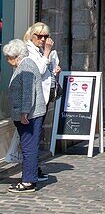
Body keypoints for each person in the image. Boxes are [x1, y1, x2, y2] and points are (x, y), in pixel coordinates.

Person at [3, 38, 45, 192]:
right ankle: (30, 177)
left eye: (9, 57)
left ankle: (28, 181)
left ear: (17, 56)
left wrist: (24, 113)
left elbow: (28, 92)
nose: (8, 60)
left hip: (30, 115)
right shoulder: (25, 64)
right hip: (29, 114)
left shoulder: (26, 65)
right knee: (28, 146)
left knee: (28, 147)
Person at [23, 22, 62, 182]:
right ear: (32, 36)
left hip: (42, 98)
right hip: (32, 100)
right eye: (40, 36)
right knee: (32, 137)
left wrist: (53, 70)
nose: (43, 39)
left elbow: (44, 72)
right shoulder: (28, 51)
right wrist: (46, 53)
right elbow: (36, 70)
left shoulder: (39, 51)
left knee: (36, 136)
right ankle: (30, 173)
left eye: (46, 36)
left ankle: (34, 169)